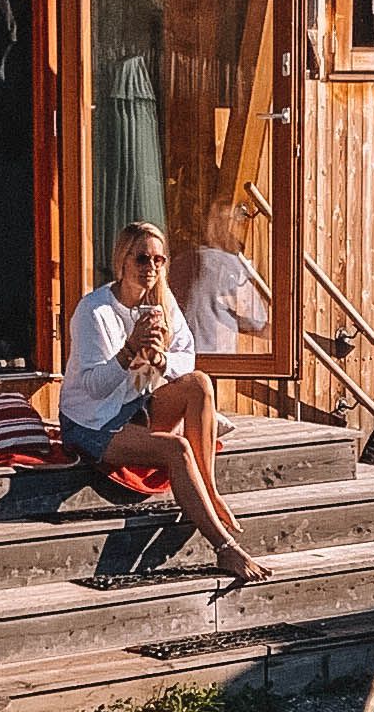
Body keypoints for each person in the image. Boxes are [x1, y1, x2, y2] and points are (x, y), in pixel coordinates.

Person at [56, 223, 264, 579]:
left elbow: (188, 357)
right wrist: (129, 351)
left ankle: (208, 492)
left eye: (158, 259)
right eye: (141, 258)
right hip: (91, 422)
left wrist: (162, 361)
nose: (150, 267)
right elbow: (93, 388)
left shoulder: (161, 303)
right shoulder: (95, 311)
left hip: (136, 402)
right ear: (122, 261)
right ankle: (224, 547)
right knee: (177, 449)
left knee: (199, 384)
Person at [182, 200, 273, 357]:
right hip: (213, 361)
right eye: (240, 222)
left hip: (178, 358)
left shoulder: (181, 260)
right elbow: (256, 321)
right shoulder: (229, 265)